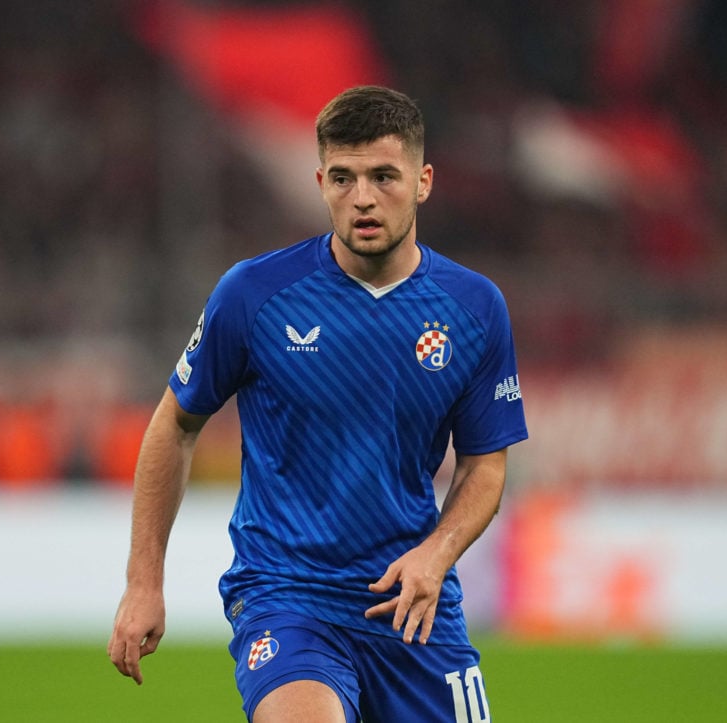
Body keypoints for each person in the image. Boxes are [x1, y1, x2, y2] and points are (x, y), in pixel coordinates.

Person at [108, 85, 528, 722]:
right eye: (343, 178)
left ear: (423, 181)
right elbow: (176, 424)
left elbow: (484, 466)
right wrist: (144, 582)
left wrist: (435, 555)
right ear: (320, 181)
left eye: (384, 176)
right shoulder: (254, 295)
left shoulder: (474, 310)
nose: (362, 197)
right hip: (287, 594)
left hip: (410, 604)